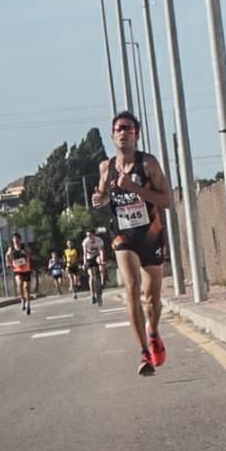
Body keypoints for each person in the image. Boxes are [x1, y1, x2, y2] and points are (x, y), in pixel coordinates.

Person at [92, 111, 170, 376]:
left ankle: (153, 330)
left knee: (151, 300)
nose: (122, 132)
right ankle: (143, 353)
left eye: (127, 128)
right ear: (113, 135)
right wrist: (99, 200)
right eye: (118, 129)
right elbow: (102, 195)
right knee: (132, 287)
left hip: (150, 233)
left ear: (136, 135)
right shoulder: (106, 167)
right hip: (123, 235)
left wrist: (135, 189)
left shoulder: (147, 164)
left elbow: (167, 200)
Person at [6, 233, 33, 315]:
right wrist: (8, 263)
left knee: (26, 287)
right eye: (14, 239)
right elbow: (7, 256)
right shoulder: (11, 249)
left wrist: (26, 253)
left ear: (20, 240)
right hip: (17, 270)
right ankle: (22, 299)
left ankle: (28, 304)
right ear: (13, 240)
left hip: (26, 270)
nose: (16, 240)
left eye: (17, 239)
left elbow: (30, 254)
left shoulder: (24, 247)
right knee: (20, 284)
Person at [82, 229, 106, 304]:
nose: (89, 237)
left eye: (90, 235)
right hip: (89, 258)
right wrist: (85, 263)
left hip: (97, 256)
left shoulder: (99, 240)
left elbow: (101, 251)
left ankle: (102, 281)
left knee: (101, 263)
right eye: (87, 235)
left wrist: (102, 260)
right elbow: (85, 253)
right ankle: (92, 295)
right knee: (91, 276)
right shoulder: (85, 242)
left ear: (93, 235)